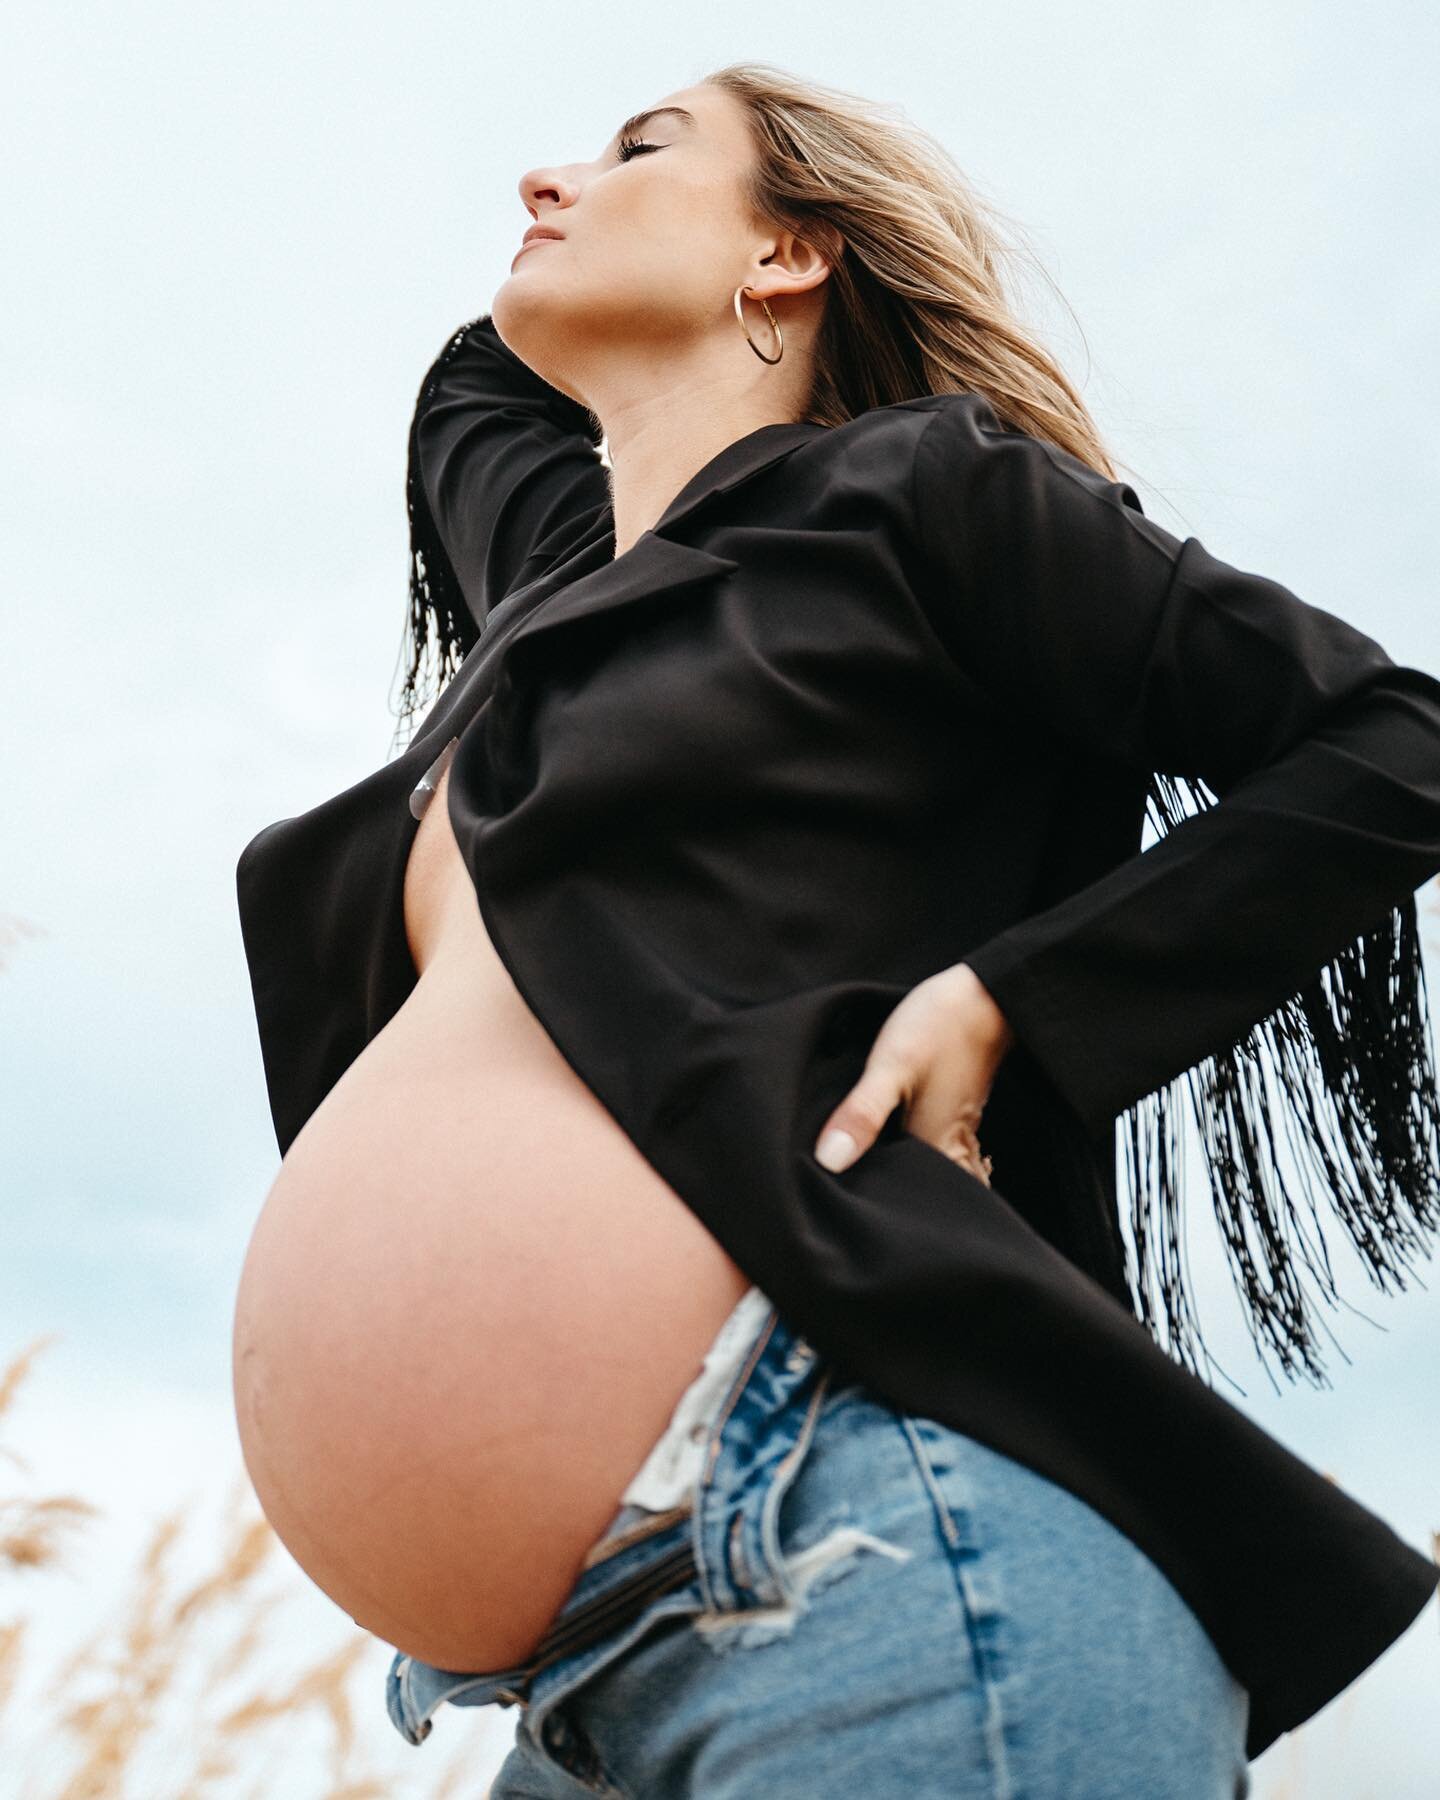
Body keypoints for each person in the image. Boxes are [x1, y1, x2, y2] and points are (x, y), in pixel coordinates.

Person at [232, 61, 1440, 1797]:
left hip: (885, 1567)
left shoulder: (922, 492)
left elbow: (1391, 744)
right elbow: (473, 383)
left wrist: (1015, 1003)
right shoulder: (554, 608)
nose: (544, 179)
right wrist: (626, 308)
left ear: (791, 255)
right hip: (578, 1703)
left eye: (638, 149)